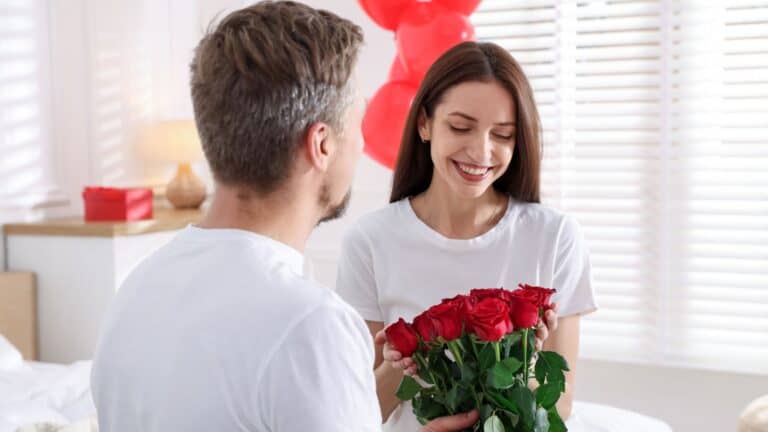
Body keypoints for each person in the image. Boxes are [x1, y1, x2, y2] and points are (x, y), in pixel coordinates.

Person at [90, 2, 477, 431]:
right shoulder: (312, 326)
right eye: (359, 118)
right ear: (322, 144)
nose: (362, 142)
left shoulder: (136, 291)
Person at [336, 41, 598, 431]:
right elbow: (358, 414)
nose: (481, 151)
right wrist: (404, 362)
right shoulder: (370, 240)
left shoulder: (555, 236)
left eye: (503, 135)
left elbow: (559, 410)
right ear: (424, 124)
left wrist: (520, 358)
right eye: (460, 127)